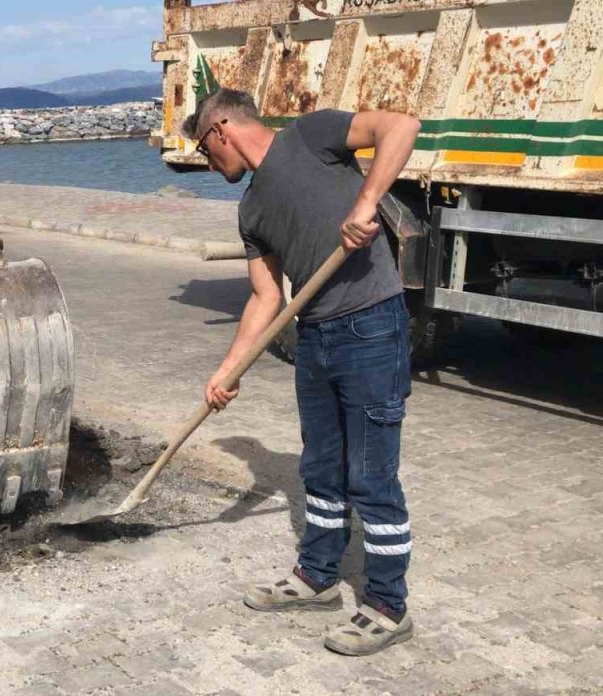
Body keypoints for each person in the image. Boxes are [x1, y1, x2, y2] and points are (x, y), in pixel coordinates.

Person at [187, 88, 421, 656]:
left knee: (370, 474)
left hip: (371, 324)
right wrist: (229, 370)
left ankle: (387, 606)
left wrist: (366, 203)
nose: (207, 163)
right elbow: (266, 297)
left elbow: (401, 126)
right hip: (314, 336)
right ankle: (317, 576)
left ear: (221, 129)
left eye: (204, 150)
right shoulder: (251, 210)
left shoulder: (311, 135)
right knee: (320, 467)